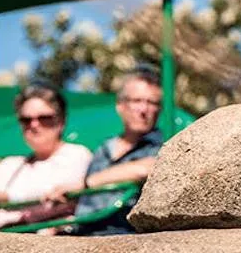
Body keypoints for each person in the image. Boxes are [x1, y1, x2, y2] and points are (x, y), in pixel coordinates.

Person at [47, 66, 164, 235]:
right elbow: (85, 202)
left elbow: (144, 168)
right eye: (137, 101)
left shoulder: (161, 146)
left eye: (151, 102)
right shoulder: (104, 148)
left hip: (125, 234)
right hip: (82, 232)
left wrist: (85, 183)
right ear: (120, 105)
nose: (144, 109)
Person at [0, 82, 92, 231]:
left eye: (44, 118)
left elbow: (57, 197)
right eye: (26, 120)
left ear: (61, 121)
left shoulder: (77, 155)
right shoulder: (10, 164)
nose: (34, 125)